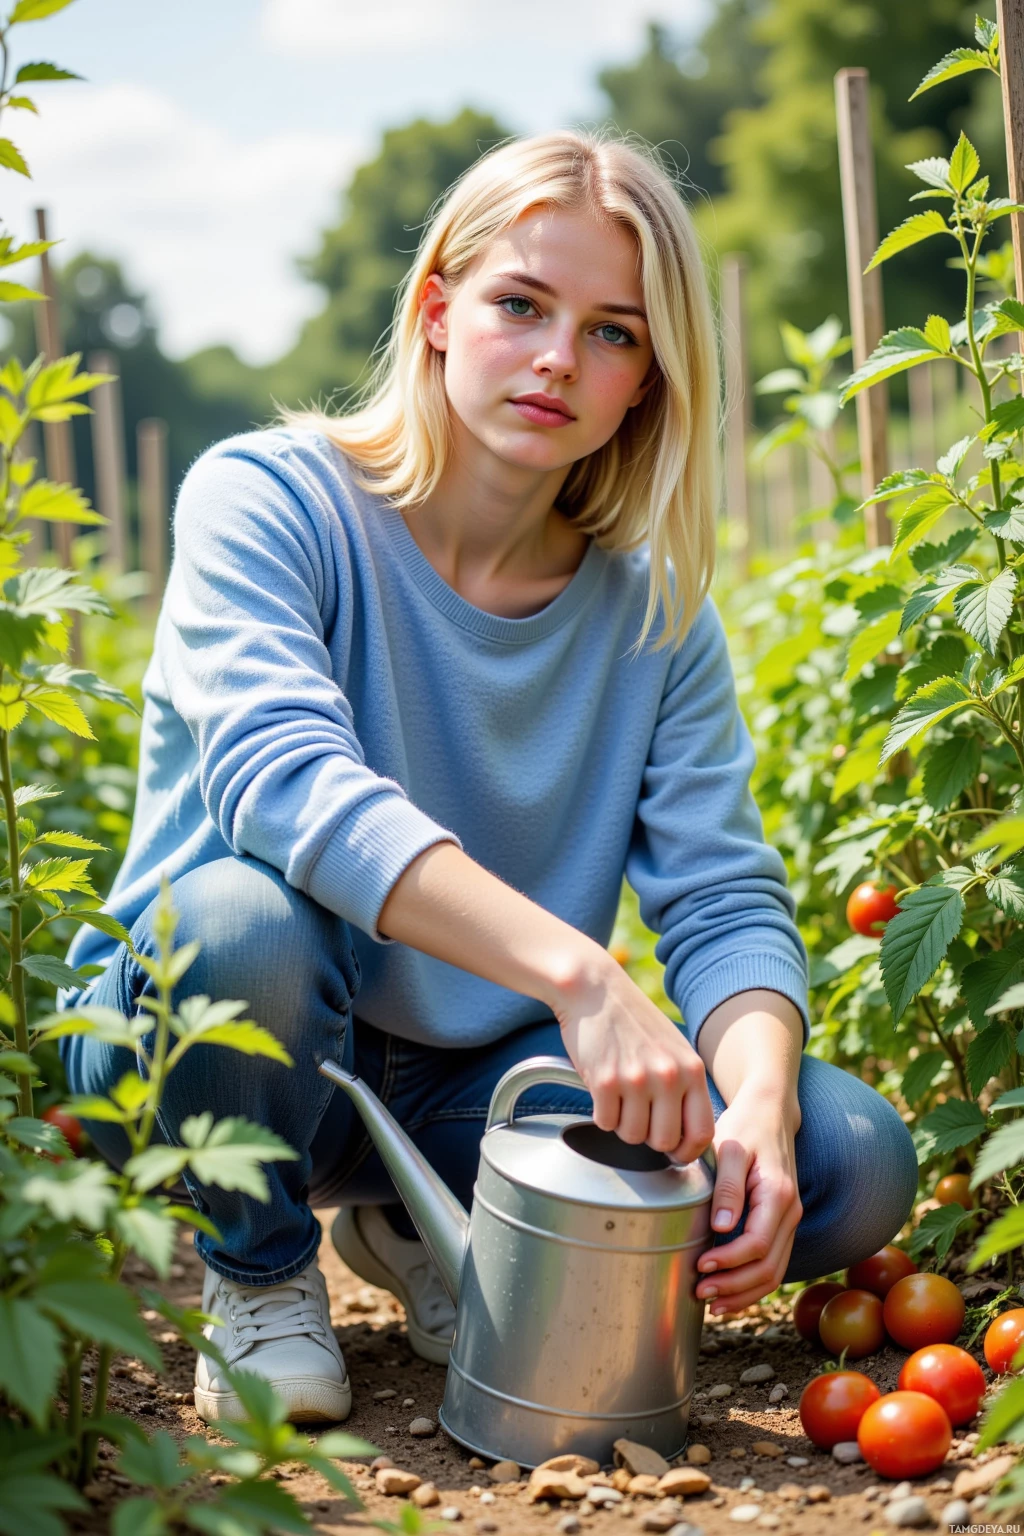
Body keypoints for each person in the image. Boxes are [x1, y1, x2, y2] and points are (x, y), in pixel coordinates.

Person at [58, 129, 918, 1427]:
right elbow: (282, 784)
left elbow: (725, 899)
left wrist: (754, 1114)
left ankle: (424, 1217)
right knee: (238, 925)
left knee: (849, 1160)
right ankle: (263, 1269)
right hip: (221, 1041)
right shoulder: (268, 502)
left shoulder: (654, 614)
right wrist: (583, 974)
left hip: (477, 1077)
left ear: (650, 381)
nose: (560, 358)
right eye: (522, 304)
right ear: (438, 309)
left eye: (615, 332)